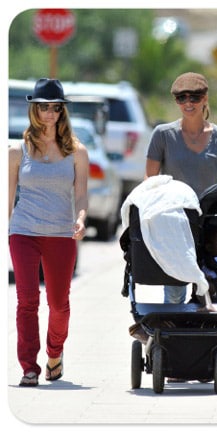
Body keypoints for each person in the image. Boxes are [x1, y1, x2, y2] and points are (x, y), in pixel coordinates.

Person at [8, 78, 89, 387]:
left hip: (60, 233)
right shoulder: (17, 151)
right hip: (24, 231)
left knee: (58, 304)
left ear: (61, 111)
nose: (50, 114)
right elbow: (9, 197)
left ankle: (54, 355)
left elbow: (80, 195)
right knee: (27, 299)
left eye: (55, 108)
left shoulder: (77, 152)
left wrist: (80, 219)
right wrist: (9, 228)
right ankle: (29, 366)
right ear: (34, 110)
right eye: (43, 107)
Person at [146, 72, 217, 304]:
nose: (188, 103)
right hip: (174, 220)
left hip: (210, 221)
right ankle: (172, 331)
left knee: (207, 287)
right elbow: (150, 179)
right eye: (181, 98)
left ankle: (201, 328)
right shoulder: (163, 135)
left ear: (205, 98)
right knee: (175, 292)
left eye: (194, 97)